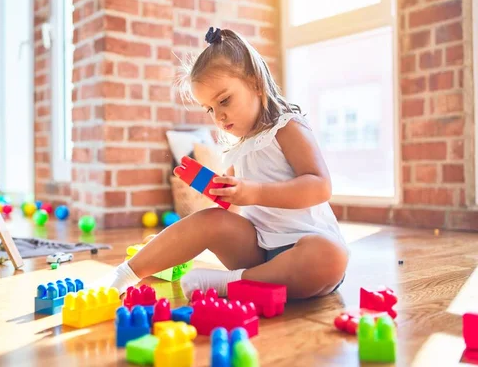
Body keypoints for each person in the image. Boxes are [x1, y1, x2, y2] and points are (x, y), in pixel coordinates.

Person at [94, 27, 349, 300]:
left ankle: (229, 283)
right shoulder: (237, 148)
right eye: (210, 109)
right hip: (259, 251)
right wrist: (220, 193)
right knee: (210, 219)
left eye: (224, 100)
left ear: (255, 82)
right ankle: (124, 274)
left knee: (330, 258)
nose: (219, 116)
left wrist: (256, 192)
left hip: (305, 247)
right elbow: (233, 212)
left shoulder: (287, 128)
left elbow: (320, 186)